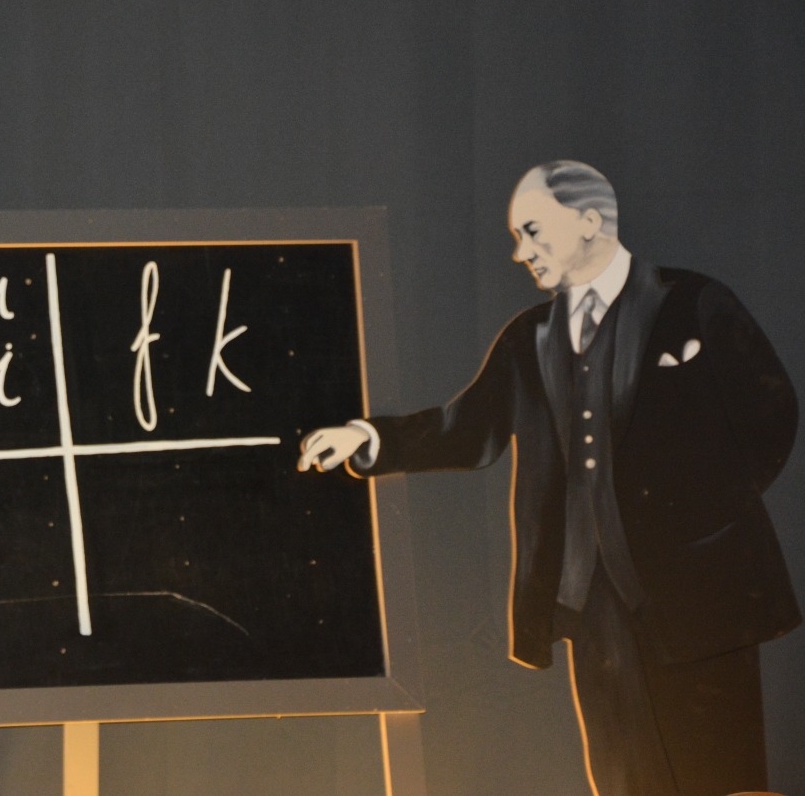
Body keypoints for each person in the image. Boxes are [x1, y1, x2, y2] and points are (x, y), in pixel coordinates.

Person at [298, 160, 798, 796]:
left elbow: (771, 416)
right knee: (624, 781)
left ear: (589, 221)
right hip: (591, 603)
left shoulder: (696, 303)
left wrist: (700, 519)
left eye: (532, 232)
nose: (520, 253)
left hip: (702, 592)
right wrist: (368, 438)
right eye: (516, 237)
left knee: (723, 779)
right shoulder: (529, 336)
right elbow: (466, 430)